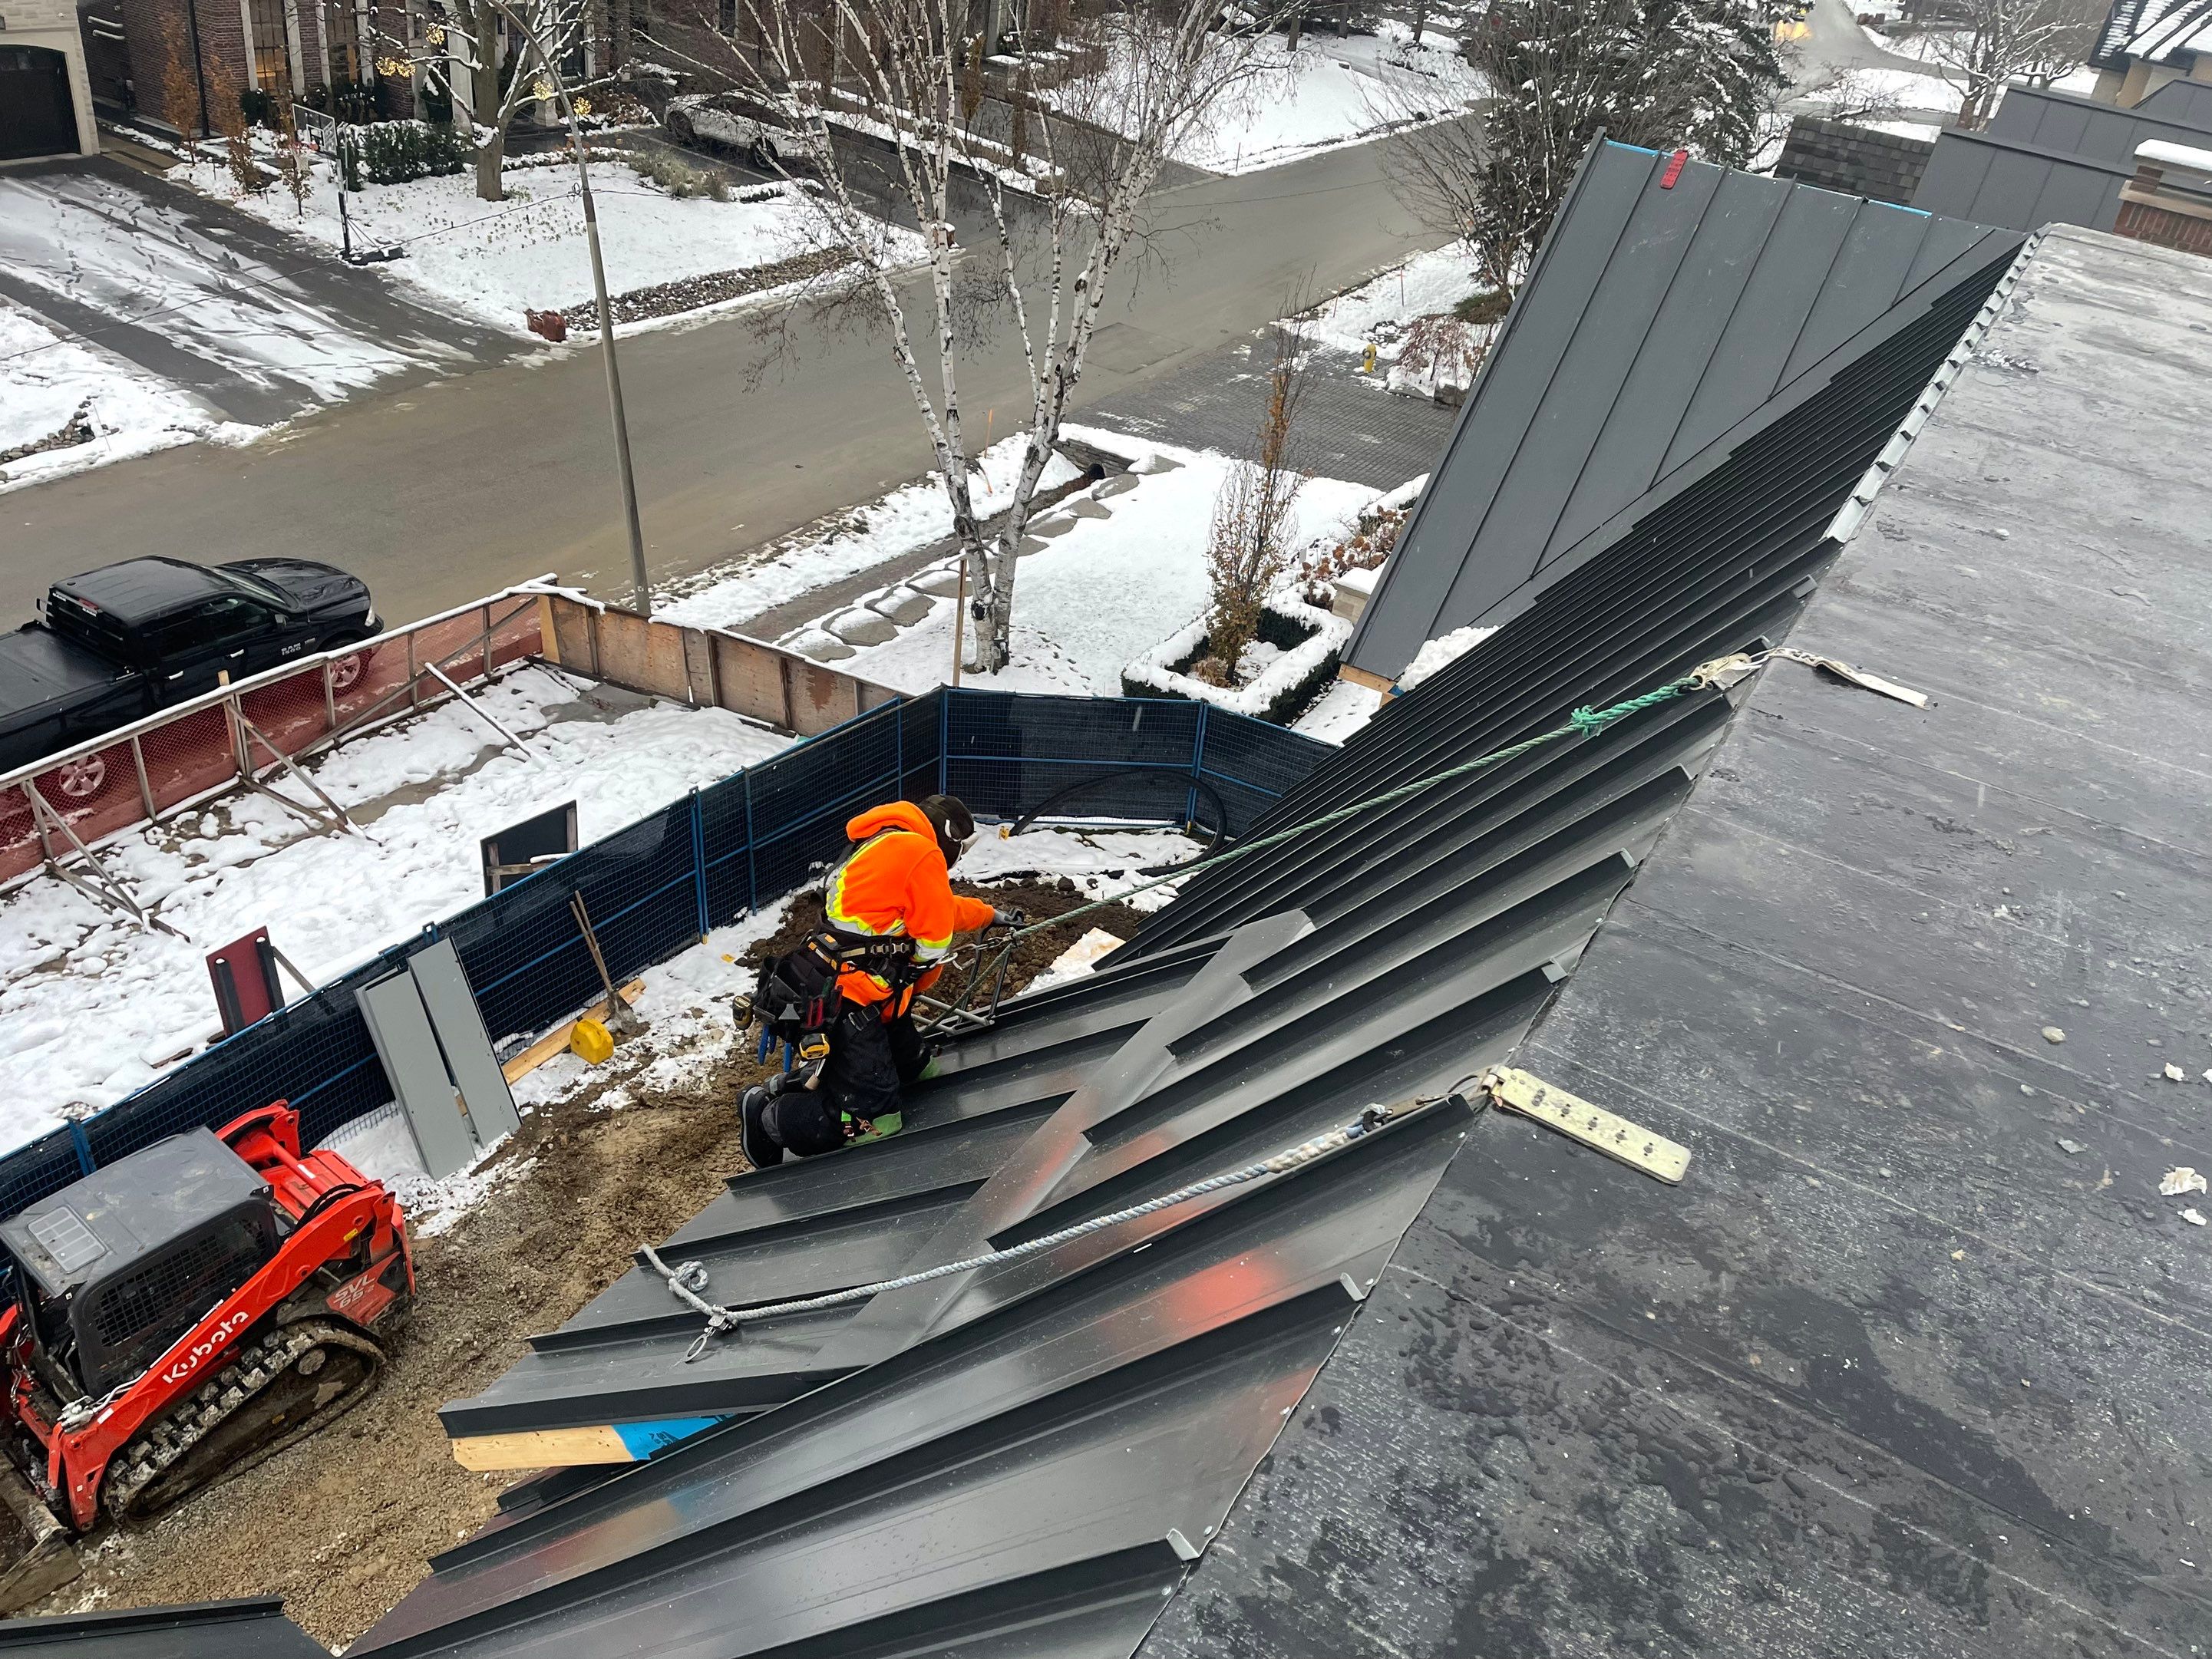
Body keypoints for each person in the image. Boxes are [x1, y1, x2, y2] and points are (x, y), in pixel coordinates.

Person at [739, 794, 1016, 1166]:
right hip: (850, 999)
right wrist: (916, 976)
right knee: (876, 1119)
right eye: (960, 849)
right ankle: (768, 1121)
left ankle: (795, 1083)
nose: (958, 858)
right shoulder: (921, 852)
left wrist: (988, 914)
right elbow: (934, 940)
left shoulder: (885, 844)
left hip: (851, 986)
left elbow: (935, 906)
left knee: (915, 1067)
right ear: (949, 836)